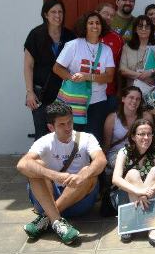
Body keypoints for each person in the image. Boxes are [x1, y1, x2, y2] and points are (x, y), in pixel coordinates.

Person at [17, 101, 107, 245]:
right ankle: (57, 222)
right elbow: (22, 165)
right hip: (48, 197)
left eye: (69, 122)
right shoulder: (44, 141)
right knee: (35, 166)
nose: (68, 128)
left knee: (88, 171)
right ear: (51, 127)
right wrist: (54, 175)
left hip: (78, 200)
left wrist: (81, 176)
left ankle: (48, 218)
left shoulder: (86, 138)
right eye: (62, 124)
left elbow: (101, 161)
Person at [53, 12, 115, 145]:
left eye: (98, 23)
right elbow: (57, 68)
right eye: (91, 23)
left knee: (93, 139)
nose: (95, 26)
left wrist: (86, 76)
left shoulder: (106, 50)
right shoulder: (73, 45)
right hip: (74, 100)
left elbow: (109, 77)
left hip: (97, 102)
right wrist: (72, 77)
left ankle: (92, 166)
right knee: (71, 137)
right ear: (84, 26)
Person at [111, 118, 155, 246]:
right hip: (126, 200)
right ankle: (150, 225)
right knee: (133, 173)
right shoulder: (124, 152)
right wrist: (138, 191)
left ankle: (142, 225)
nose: (146, 137)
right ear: (133, 136)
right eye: (141, 134)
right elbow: (115, 179)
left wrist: (147, 193)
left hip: (152, 197)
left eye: (149, 134)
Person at [24, 0, 76, 139]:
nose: (57, 15)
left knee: (64, 134)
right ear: (46, 14)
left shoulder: (70, 36)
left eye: (60, 12)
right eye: (53, 12)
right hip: (42, 93)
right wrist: (29, 92)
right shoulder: (35, 35)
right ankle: (40, 162)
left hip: (65, 93)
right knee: (42, 134)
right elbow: (28, 65)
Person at [103, 86, 149, 176]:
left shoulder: (146, 117)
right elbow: (106, 145)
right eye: (131, 97)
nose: (134, 101)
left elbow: (150, 140)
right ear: (123, 99)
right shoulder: (112, 118)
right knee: (132, 168)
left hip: (139, 153)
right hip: (116, 154)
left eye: (138, 99)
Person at [119, 15, 155, 93]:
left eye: (147, 27)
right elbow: (123, 70)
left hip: (153, 90)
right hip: (132, 91)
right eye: (140, 26)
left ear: (151, 29)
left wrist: (151, 72)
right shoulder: (127, 47)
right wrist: (142, 76)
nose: (144, 29)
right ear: (135, 29)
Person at [96, 2, 125, 112]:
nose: (108, 17)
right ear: (96, 13)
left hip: (109, 92)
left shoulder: (117, 39)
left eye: (112, 15)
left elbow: (119, 68)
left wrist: (119, 92)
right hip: (86, 92)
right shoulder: (84, 36)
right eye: (105, 13)